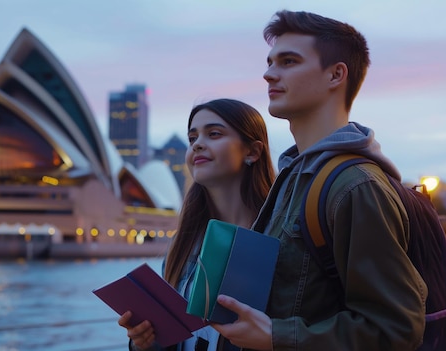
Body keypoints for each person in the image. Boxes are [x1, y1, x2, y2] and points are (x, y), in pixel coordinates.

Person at [209, 10, 428, 350]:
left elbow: (395, 328)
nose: (269, 74)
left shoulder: (356, 186)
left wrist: (274, 337)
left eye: (289, 61)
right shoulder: (294, 177)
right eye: (270, 62)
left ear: (336, 75)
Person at [119, 98, 276, 350]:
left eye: (214, 134)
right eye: (193, 139)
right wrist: (143, 342)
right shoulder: (183, 244)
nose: (198, 144)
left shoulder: (281, 238)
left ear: (253, 152)